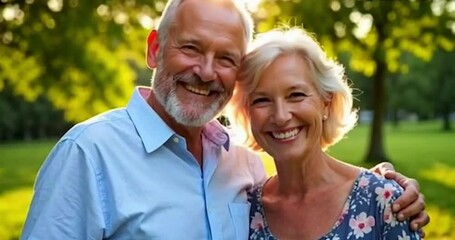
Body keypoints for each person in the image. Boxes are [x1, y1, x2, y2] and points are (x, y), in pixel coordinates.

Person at [21, 0, 428, 239]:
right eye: (191, 49)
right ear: (154, 50)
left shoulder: (243, 168)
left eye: (226, 58)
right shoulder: (88, 155)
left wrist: (378, 188)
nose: (206, 71)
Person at [228, 27, 423, 239]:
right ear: (247, 113)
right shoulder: (243, 210)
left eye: (296, 95)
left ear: (326, 103)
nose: (281, 116)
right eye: (262, 100)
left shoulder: (385, 202)